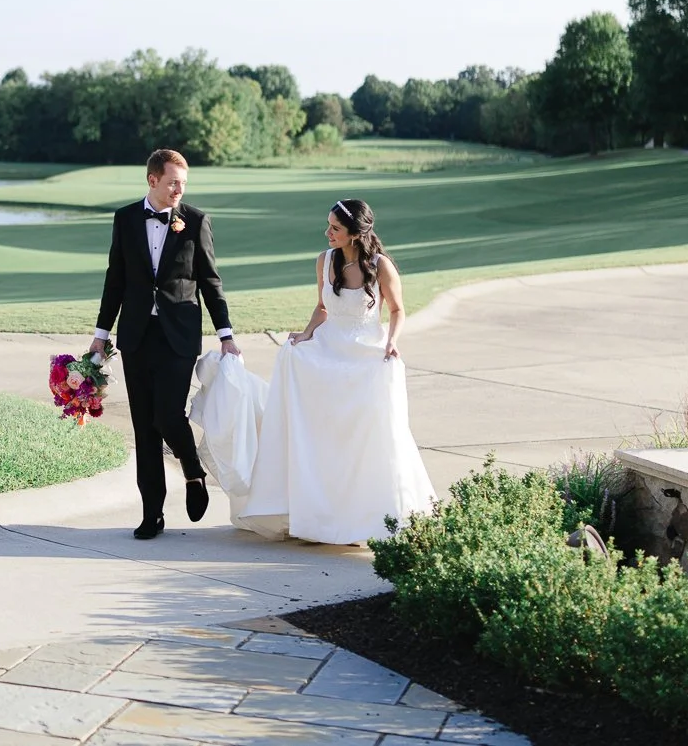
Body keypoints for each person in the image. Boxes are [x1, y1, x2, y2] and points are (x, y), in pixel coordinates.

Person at [234, 197, 436, 544]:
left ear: (356, 234)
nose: (327, 232)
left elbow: (398, 310)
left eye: (335, 228)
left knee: (365, 437)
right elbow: (322, 307)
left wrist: (392, 340)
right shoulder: (323, 260)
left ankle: (365, 519)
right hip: (328, 349)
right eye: (328, 225)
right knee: (314, 417)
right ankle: (317, 515)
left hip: (365, 355)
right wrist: (307, 332)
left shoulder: (381, 265)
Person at [91, 148, 238, 540]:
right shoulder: (124, 219)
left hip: (179, 335)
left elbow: (210, 281)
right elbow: (115, 281)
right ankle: (152, 514)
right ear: (152, 180)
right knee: (145, 428)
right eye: (172, 182)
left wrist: (226, 335)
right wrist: (101, 335)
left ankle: (192, 470)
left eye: (183, 184)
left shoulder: (195, 221)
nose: (178, 190)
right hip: (137, 336)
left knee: (168, 414)